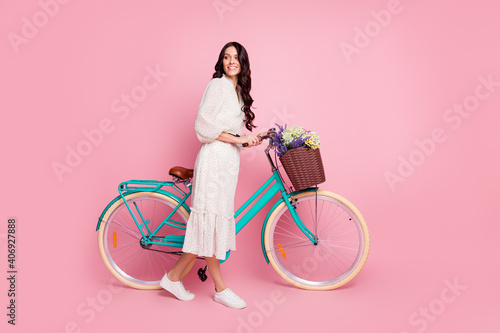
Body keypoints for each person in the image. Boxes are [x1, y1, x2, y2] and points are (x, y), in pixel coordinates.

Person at [160, 41, 266, 309]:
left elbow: (229, 131)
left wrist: (249, 139)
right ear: (221, 62)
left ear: (243, 62)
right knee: (209, 223)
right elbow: (203, 125)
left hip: (228, 163)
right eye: (226, 57)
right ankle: (220, 288)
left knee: (213, 224)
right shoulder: (218, 85)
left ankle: (173, 278)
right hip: (214, 158)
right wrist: (239, 140)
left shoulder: (238, 91)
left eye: (236, 57)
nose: (231, 61)